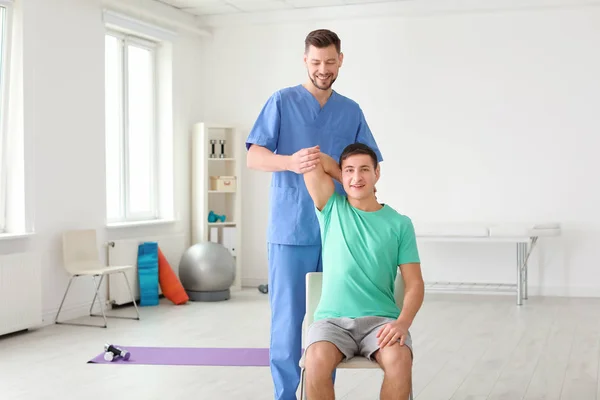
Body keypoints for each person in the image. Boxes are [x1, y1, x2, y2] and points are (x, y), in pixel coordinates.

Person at [245, 29, 383, 400]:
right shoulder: (282, 101)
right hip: (290, 230)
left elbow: (363, 169)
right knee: (288, 322)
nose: (323, 69)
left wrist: (330, 168)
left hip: (338, 229)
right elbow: (253, 156)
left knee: (330, 323)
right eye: (316, 62)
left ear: (341, 60)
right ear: (305, 60)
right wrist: (291, 161)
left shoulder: (350, 111)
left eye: (330, 62)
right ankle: (285, 396)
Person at [302, 143, 424, 400]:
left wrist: (402, 323)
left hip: (381, 322)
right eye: (350, 170)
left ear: (377, 173)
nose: (357, 177)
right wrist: (349, 179)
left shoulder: (400, 224)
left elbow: (414, 284)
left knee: (400, 360)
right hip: (332, 322)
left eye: (365, 170)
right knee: (315, 360)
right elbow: (313, 161)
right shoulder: (332, 209)